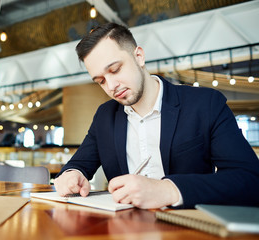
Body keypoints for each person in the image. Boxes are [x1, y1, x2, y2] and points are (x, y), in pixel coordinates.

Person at [54, 23, 259, 209]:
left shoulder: (205, 104)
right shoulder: (105, 116)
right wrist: (72, 175)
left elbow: (250, 180)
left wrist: (169, 190)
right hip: (124, 229)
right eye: (100, 81)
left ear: (139, 56)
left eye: (115, 69)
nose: (111, 86)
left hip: (190, 228)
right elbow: (78, 164)